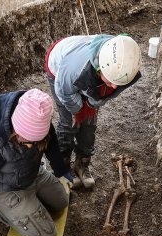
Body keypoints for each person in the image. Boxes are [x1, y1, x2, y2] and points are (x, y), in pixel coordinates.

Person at [0, 89, 72, 236]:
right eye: (25, 140)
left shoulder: (39, 115)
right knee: (47, 235)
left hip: (32, 174)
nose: (30, 146)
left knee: (62, 202)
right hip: (5, 189)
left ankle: (30, 204)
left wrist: (60, 169)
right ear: (15, 125)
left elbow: (52, 142)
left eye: (35, 142)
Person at [45, 34, 141, 189]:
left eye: (117, 82)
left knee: (89, 124)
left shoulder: (124, 66)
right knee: (69, 122)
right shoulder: (72, 69)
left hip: (88, 73)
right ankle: (62, 168)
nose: (114, 87)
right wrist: (78, 110)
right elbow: (65, 93)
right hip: (59, 67)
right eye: (110, 81)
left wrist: (91, 103)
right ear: (100, 67)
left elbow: (106, 93)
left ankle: (81, 164)